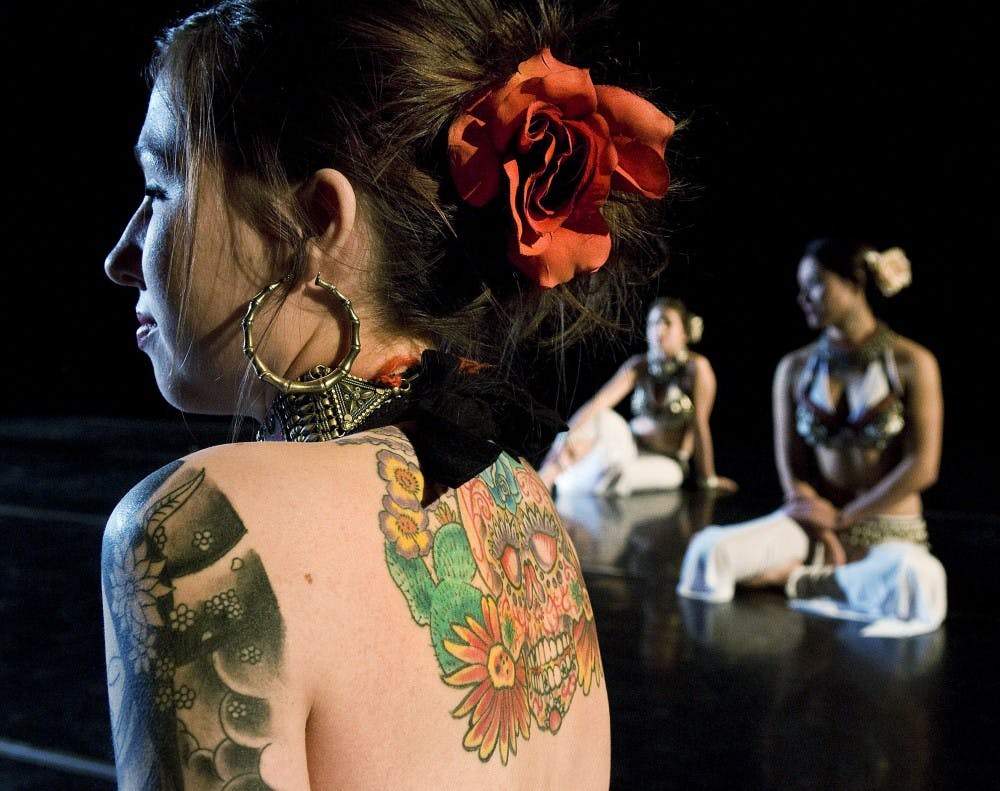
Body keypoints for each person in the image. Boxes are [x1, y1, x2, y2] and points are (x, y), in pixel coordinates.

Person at [99, 0, 679, 787]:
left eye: (161, 190)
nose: (121, 256)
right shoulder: (524, 499)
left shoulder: (200, 531)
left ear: (311, 224)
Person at [676, 237, 946, 637]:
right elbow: (793, 467)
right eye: (801, 287)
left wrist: (844, 519)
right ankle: (830, 580)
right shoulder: (795, 368)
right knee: (707, 551)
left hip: (889, 529)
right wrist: (820, 521)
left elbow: (923, 467)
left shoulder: (912, 362)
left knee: (915, 579)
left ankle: (797, 582)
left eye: (815, 284)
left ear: (855, 283)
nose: (803, 297)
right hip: (814, 525)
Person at [537, 297, 739, 496]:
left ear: (685, 333)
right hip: (630, 446)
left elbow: (700, 424)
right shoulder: (639, 366)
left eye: (667, 322)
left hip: (668, 461)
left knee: (621, 475)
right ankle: (545, 477)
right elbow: (598, 404)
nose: (658, 330)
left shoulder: (696, 369)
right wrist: (562, 443)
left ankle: (571, 485)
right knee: (600, 418)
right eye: (653, 323)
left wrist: (708, 479)